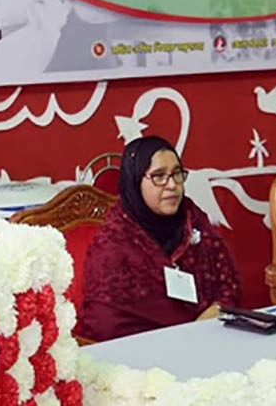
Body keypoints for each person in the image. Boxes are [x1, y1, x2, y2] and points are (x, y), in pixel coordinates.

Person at [80, 136, 241, 342]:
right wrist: (180, 338)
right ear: (136, 181)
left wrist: (212, 316)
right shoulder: (113, 246)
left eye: (177, 174)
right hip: (141, 358)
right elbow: (106, 324)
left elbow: (229, 284)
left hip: (208, 340)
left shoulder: (193, 220)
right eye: (159, 176)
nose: (172, 185)